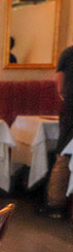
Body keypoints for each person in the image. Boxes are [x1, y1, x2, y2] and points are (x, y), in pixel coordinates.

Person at [42, 45, 73, 217]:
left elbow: (59, 82)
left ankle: (55, 203)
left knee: (63, 153)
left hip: (71, 107)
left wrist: (65, 97)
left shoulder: (68, 53)